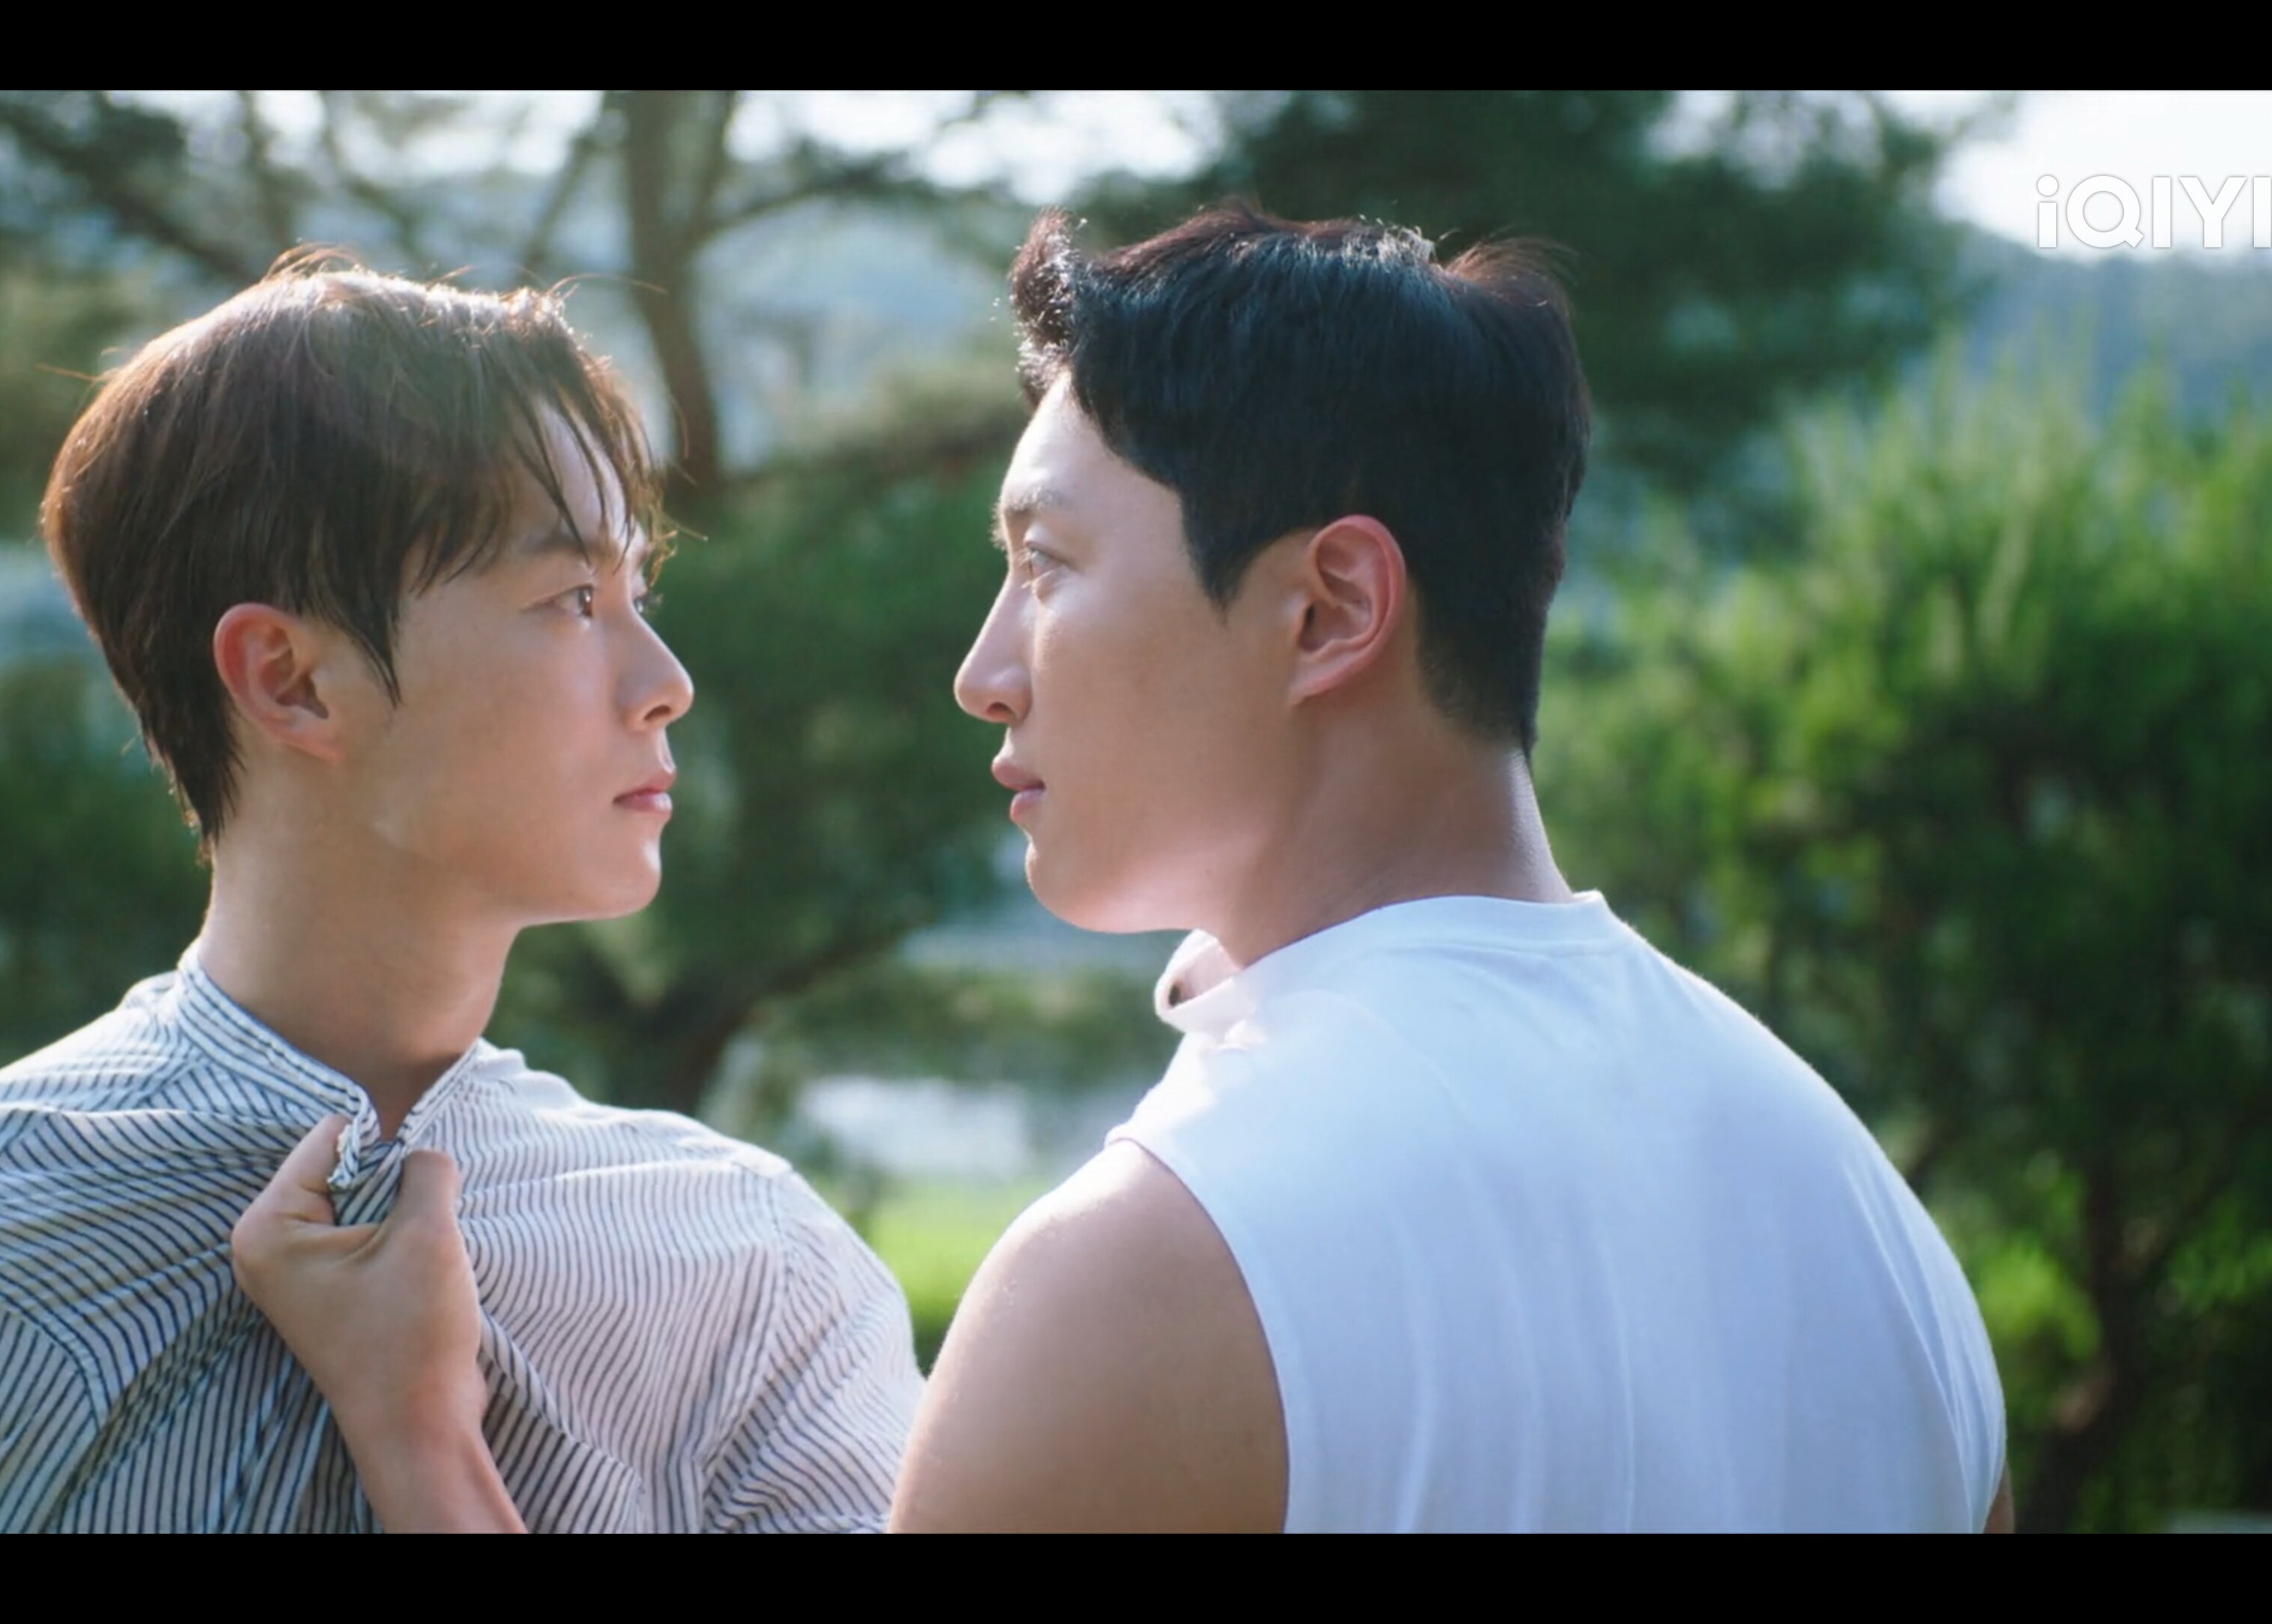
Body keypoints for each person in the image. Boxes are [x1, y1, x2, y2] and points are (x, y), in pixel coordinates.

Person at [244, 207, 2011, 1534]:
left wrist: (427, 1447)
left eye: (1048, 565)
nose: (984, 668)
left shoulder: (1151, 1274)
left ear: (1329, 609)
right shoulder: (1874, 1232)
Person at [0, 262, 921, 1533]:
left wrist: (425, 1446)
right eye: (575, 596)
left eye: (638, 590)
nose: (666, 681)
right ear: (289, 679)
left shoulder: (755, 1276)